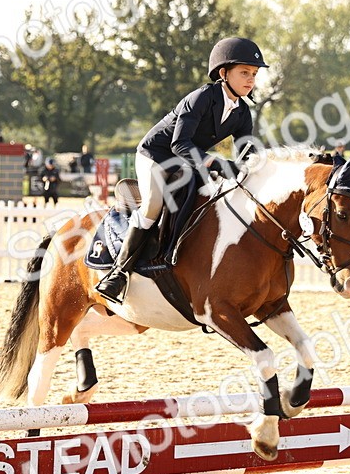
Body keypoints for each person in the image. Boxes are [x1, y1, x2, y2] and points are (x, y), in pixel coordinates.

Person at [96, 37, 268, 303]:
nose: (251, 79)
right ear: (224, 73)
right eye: (244, 72)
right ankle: (118, 273)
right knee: (153, 204)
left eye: (254, 74)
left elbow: (246, 152)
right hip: (156, 155)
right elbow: (179, 144)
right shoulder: (201, 98)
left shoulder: (242, 112)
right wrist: (214, 162)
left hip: (187, 161)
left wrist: (261, 168)